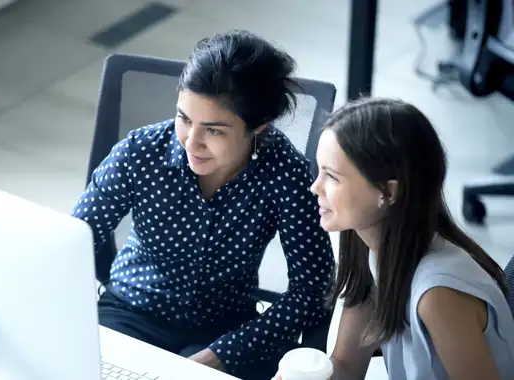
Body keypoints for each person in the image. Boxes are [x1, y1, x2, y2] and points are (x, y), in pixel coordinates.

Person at [72, 30, 335, 380]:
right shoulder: (140, 153)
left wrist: (222, 355)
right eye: (184, 118)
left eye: (213, 130)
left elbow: (313, 288)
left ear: (258, 128)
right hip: (130, 311)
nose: (191, 142)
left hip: (225, 328)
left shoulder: (285, 174)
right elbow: (72, 243)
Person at [275, 98, 514, 379]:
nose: (315, 187)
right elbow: (347, 367)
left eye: (333, 177)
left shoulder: (439, 296)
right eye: (320, 171)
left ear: (388, 193)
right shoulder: (369, 248)